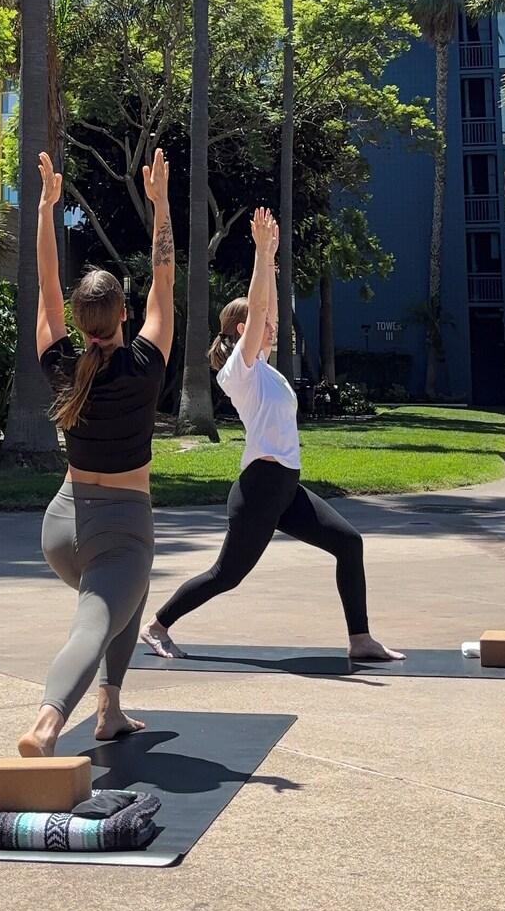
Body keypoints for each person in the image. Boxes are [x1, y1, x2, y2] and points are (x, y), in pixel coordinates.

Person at [142, 208, 403, 665]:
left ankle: (360, 638)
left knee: (349, 544)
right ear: (244, 332)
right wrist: (261, 254)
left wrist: (273, 262)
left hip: (285, 488)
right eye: (262, 325)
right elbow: (259, 306)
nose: (272, 327)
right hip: (260, 489)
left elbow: (269, 309)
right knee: (226, 575)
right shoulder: (237, 371)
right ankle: (157, 625)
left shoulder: (265, 369)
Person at [20, 147, 174, 757]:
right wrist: (160, 204)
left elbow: (45, 285)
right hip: (121, 526)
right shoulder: (145, 365)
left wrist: (45, 210)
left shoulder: (60, 362)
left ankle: (109, 711)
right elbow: (165, 276)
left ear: (82, 321)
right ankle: (47, 723)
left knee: (121, 602)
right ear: (124, 316)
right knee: (96, 618)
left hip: (62, 524)